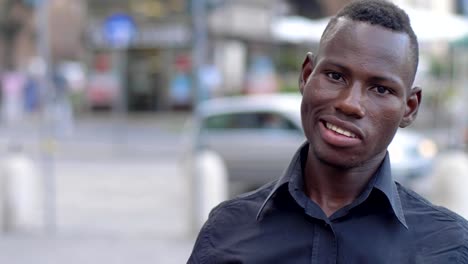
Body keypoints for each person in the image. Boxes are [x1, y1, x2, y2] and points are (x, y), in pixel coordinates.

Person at [188, 0, 468, 263]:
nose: (349, 104)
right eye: (335, 76)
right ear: (307, 75)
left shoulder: (449, 246)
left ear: (409, 108)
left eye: (381, 89)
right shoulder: (226, 231)